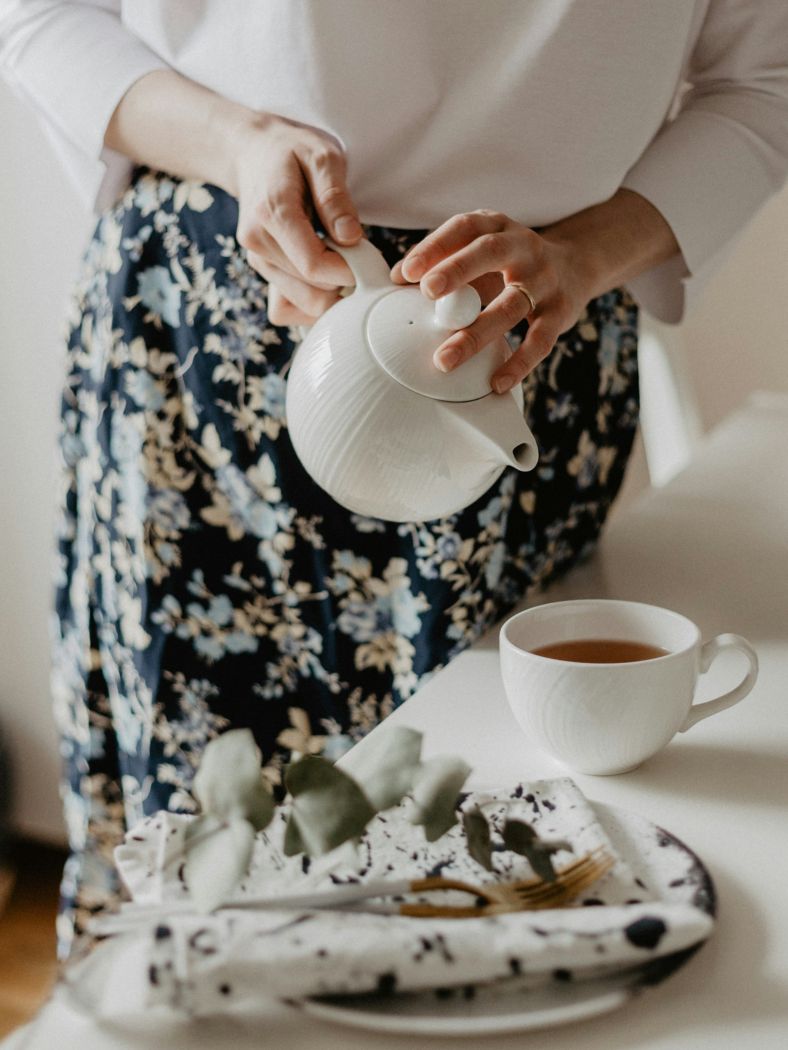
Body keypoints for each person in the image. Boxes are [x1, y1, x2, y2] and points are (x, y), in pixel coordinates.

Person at [1, 0, 787, 957]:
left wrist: (583, 257)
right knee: (197, 871)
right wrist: (238, 142)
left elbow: (765, 81)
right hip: (205, 359)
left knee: (503, 882)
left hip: (526, 347)